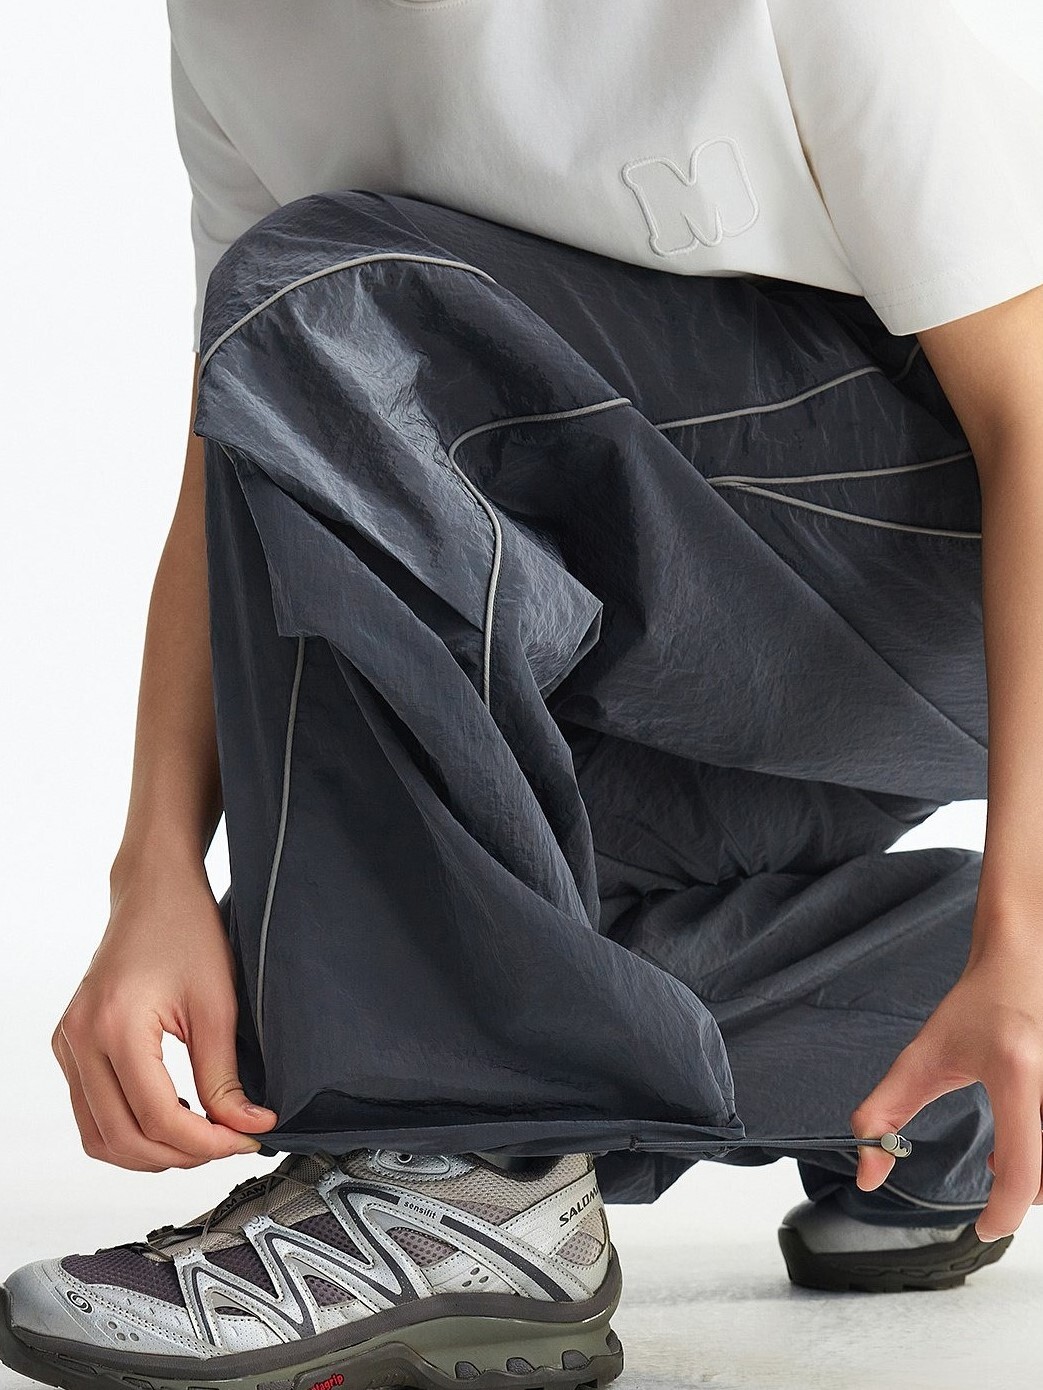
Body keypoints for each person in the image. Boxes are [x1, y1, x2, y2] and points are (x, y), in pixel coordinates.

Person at [3, 1, 1043, 1386]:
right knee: (335, 970)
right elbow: (248, 437)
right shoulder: (237, 32)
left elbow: (1033, 415)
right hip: (686, 624)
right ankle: (916, 1053)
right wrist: (155, 875)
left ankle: (464, 1184)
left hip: (950, 577)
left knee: (333, 294)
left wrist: (1024, 925)